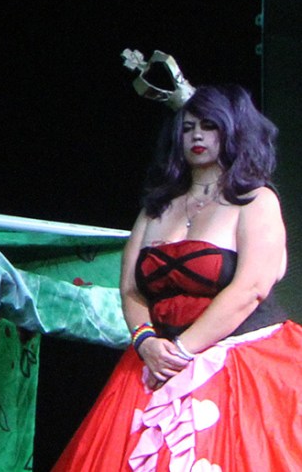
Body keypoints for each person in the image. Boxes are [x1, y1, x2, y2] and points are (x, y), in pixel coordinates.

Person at [52, 85, 302, 471]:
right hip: (157, 357)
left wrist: (182, 352)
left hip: (240, 359)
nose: (197, 136)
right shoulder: (156, 208)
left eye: (209, 126)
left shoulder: (255, 201)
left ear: (232, 131)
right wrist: (146, 341)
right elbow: (131, 288)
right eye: (187, 128)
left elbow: (251, 288)